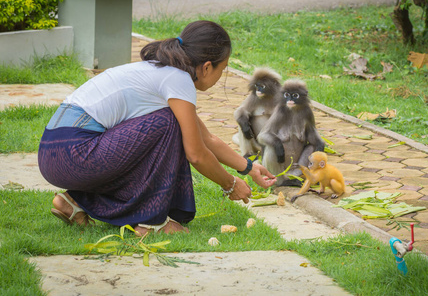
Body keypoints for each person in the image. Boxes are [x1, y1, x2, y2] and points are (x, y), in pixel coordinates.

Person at [38, 20, 277, 236]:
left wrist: (248, 168)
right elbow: (196, 153)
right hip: (74, 153)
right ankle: (151, 222)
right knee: (170, 124)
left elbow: (208, 138)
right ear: (206, 67)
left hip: (54, 152)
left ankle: (74, 202)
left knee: (172, 124)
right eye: (222, 69)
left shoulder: (164, 71)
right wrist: (230, 184)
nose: (221, 75)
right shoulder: (179, 80)